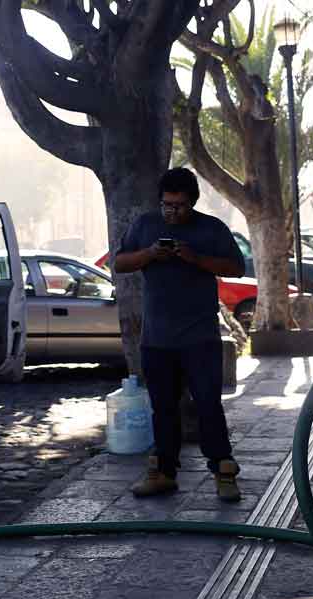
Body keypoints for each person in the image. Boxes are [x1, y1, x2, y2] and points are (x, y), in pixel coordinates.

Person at [113, 167, 246, 502]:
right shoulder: (145, 225)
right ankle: (164, 472)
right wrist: (149, 254)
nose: (172, 212)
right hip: (157, 340)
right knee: (163, 408)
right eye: (166, 205)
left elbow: (236, 268)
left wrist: (195, 258)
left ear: (193, 204)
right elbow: (121, 263)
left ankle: (223, 471)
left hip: (200, 338)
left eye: (180, 206)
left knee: (208, 405)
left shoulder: (211, 229)